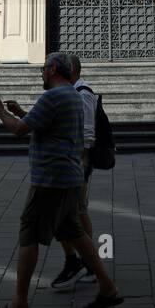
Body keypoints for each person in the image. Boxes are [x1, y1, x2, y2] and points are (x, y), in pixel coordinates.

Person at [0, 51, 122, 308]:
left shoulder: (52, 96)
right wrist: (22, 113)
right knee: (75, 232)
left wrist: (0, 113)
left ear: (53, 70)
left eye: (44, 69)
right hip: (69, 175)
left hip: (50, 178)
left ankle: (19, 304)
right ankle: (107, 288)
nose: (41, 74)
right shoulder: (73, 94)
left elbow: (20, 130)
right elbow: (47, 126)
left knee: (29, 234)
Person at [51, 54, 98, 289]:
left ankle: (89, 265)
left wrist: (79, 159)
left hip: (78, 160)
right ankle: (80, 262)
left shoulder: (83, 94)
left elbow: (88, 132)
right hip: (70, 160)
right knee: (74, 212)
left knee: (78, 211)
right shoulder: (70, 94)